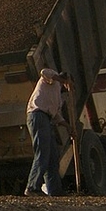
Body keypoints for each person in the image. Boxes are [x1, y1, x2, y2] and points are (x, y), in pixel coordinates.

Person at [23, 68, 70, 196]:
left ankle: (55, 191)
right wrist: (60, 79)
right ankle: (32, 187)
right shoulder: (49, 81)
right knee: (42, 153)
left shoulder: (58, 97)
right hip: (37, 115)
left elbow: (56, 116)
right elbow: (44, 72)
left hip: (46, 119)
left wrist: (68, 127)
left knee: (52, 157)